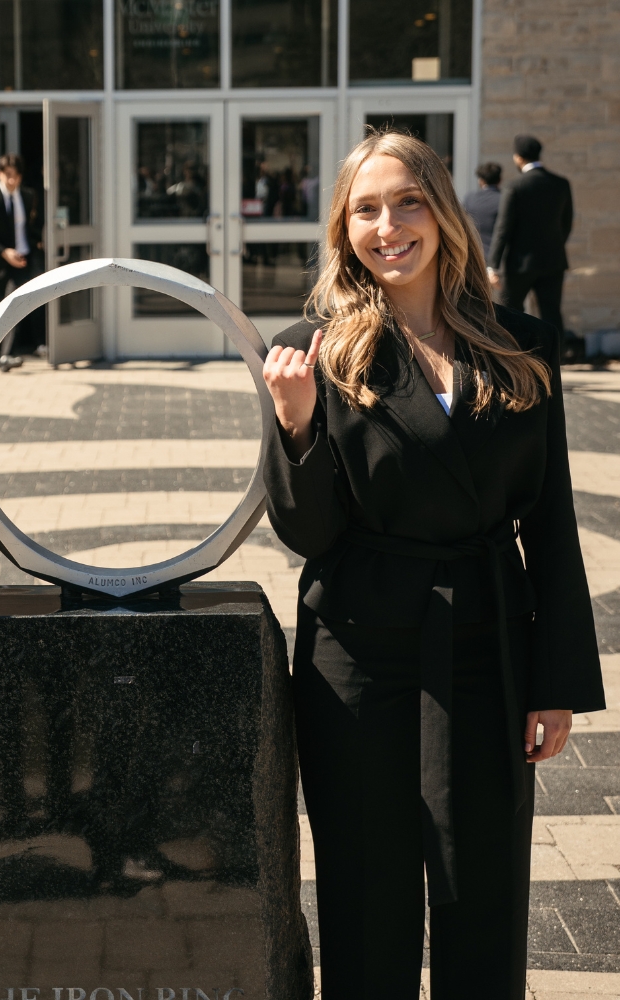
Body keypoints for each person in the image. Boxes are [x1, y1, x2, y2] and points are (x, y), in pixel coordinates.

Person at [262, 130, 603, 999]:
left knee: (481, 881)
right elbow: (308, 536)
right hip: (357, 651)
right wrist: (297, 425)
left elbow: (552, 520)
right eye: (365, 209)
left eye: (406, 201)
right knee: (366, 887)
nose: (388, 226)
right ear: (344, 228)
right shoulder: (318, 348)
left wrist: (555, 678)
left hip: (489, 638)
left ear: (443, 212)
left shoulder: (518, 340)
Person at [487, 134, 573, 337]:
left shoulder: (514, 186)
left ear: (518, 158)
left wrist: (493, 264)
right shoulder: (561, 183)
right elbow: (566, 223)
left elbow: (503, 229)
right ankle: (555, 361)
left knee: (510, 313)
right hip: (553, 260)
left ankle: (513, 357)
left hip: (519, 263)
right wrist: (556, 245)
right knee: (552, 313)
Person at [0, 152, 43, 371]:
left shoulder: (28, 196)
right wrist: (4, 252)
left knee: (14, 308)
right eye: (8, 175)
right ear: (0, 174)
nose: (12, 180)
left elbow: (32, 227)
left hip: (22, 262)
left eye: (16, 176)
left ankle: (7, 355)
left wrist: (34, 247)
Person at [463, 161, 502, 257]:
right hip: (498, 258)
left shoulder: (470, 198)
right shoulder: (504, 199)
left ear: (480, 181)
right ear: (500, 180)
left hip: (475, 255)